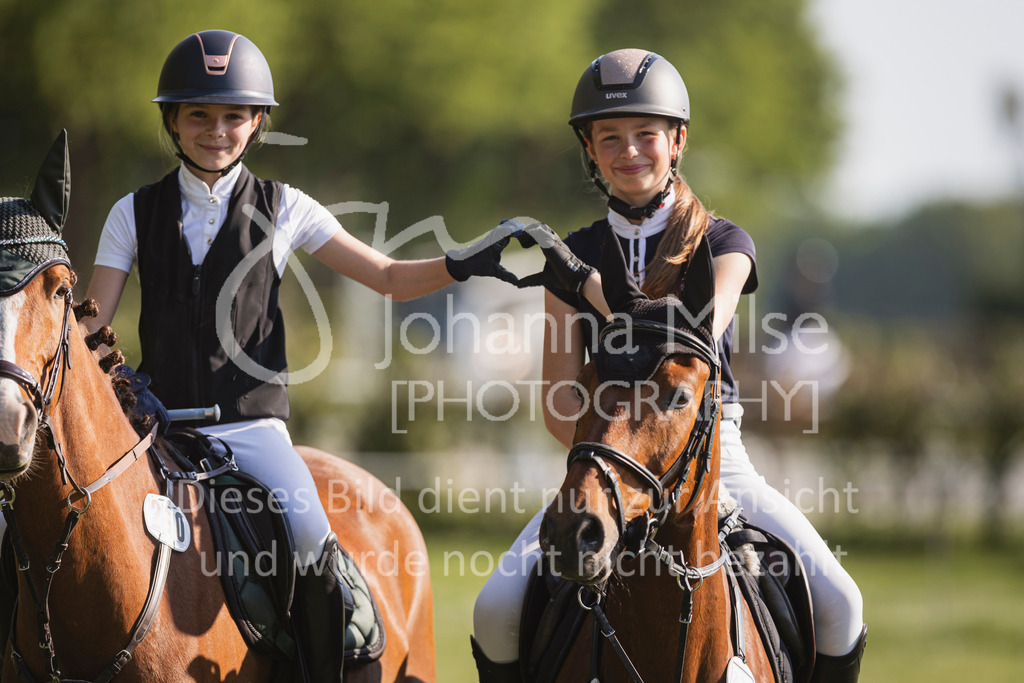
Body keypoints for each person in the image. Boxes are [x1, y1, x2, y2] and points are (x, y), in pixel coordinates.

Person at [83, 29, 522, 683]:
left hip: (252, 430)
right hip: (158, 429)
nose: (216, 131)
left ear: (257, 123)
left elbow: (387, 277)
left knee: (314, 539)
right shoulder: (132, 212)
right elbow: (92, 325)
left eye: (234, 116)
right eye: (199, 115)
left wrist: (465, 262)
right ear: (172, 121)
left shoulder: (285, 207)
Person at [471, 49, 867, 682]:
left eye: (645, 134)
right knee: (494, 611)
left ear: (677, 140)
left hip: (713, 459)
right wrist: (609, 463)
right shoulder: (573, 254)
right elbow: (558, 403)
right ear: (589, 149)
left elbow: (691, 336)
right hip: (610, 460)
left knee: (842, 604)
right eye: (609, 137)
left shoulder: (725, 244)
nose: (628, 150)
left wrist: (589, 286)